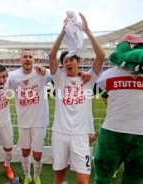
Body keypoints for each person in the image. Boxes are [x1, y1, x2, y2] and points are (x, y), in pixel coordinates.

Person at [49, 13, 104, 184]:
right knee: (59, 176)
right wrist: (62, 32)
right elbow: (52, 56)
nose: (67, 62)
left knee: (82, 180)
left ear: (78, 61)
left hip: (80, 135)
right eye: (65, 61)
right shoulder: (59, 79)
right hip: (60, 133)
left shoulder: (88, 79)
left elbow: (101, 56)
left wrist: (87, 31)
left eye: (71, 59)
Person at [94, 46, 143, 183]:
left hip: (140, 135)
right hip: (112, 132)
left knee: (135, 179)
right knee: (103, 176)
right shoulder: (110, 73)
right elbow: (93, 88)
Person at [8, 49, 52, 184]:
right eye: (25, 57)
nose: (27, 59)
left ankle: (37, 177)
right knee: (25, 152)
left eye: (30, 57)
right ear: (20, 60)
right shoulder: (12, 76)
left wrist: (46, 70)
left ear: (34, 60)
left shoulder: (42, 73)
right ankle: (27, 177)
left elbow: (58, 75)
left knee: (37, 155)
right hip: (23, 121)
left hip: (40, 121)